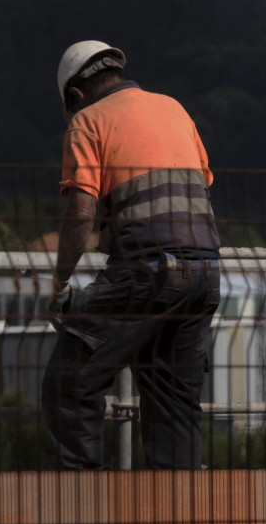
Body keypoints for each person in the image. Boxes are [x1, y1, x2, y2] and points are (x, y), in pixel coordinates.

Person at [42, 40, 221, 470]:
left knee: (70, 383)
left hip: (146, 273)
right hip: (205, 274)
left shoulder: (87, 121)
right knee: (173, 402)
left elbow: (80, 213)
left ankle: (84, 518)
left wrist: (60, 282)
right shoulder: (173, 108)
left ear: (76, 95)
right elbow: (190, 189)